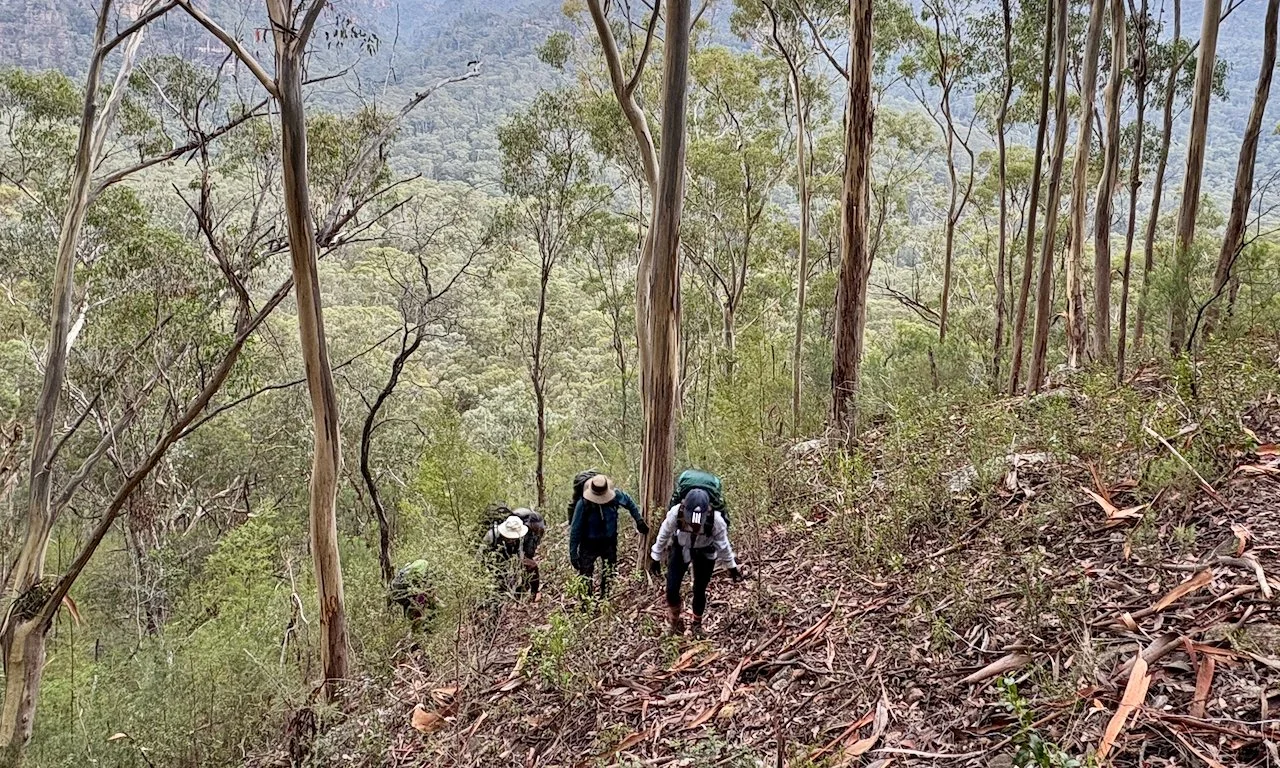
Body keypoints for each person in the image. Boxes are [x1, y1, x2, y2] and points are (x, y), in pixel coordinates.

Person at [649, 488, 743, 635]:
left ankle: (697, 624)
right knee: (671, 589)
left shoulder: (716, 520)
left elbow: (723, 545)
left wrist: (731, 566)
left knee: (699, 590)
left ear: (707, 510)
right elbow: (664, 533)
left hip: (705, 551)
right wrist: (655, 556)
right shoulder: (676, 513)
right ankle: (675, 621)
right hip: (681, 548)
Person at [569, 474, 648, 597]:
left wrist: (639, 520)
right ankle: (586, 601)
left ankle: (605, 597)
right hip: (588, 543)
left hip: (609, 541)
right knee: (585, 575)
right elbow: (575, 529)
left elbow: (629, 503)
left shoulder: (615, 496)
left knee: (609, 571)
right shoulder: (583, 503)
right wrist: (573, 553)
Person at [482, 508, 546, 601]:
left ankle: (527, 594)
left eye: (513, 538)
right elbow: (480, 558)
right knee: (500, 576)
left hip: (515, 550)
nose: (511, 539)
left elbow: (525, 555)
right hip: (496, 554)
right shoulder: (491, 536)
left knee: (531, 566)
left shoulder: (526, 533)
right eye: (509, 537)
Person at [390, 559, 437, 630]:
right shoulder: (420, 589)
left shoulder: (407, 577)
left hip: (402, 596)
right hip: (412, 598)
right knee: (419, 616)